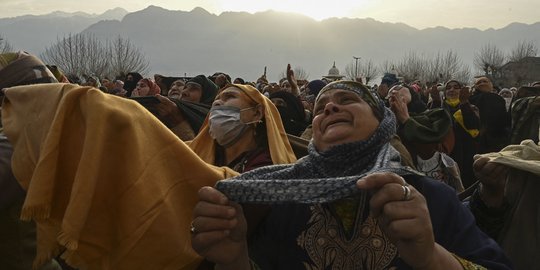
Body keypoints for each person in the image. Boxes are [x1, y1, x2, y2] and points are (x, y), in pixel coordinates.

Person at [191, 81, 511, 269]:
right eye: (320, 108)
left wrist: (431, 255)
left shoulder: (428, 196)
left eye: (347, 100)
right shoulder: (275, 196)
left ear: (383, 122)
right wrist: (234, 260)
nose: (329, 108)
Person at [470, 76, 510, 153]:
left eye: (485, 81)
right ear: (475, 86)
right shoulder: (471, 99)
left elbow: (504, 119)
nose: (482, 84)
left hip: (498, 138)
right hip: (477, 138)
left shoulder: (500, 99)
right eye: (479, 82)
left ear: (491, 85)